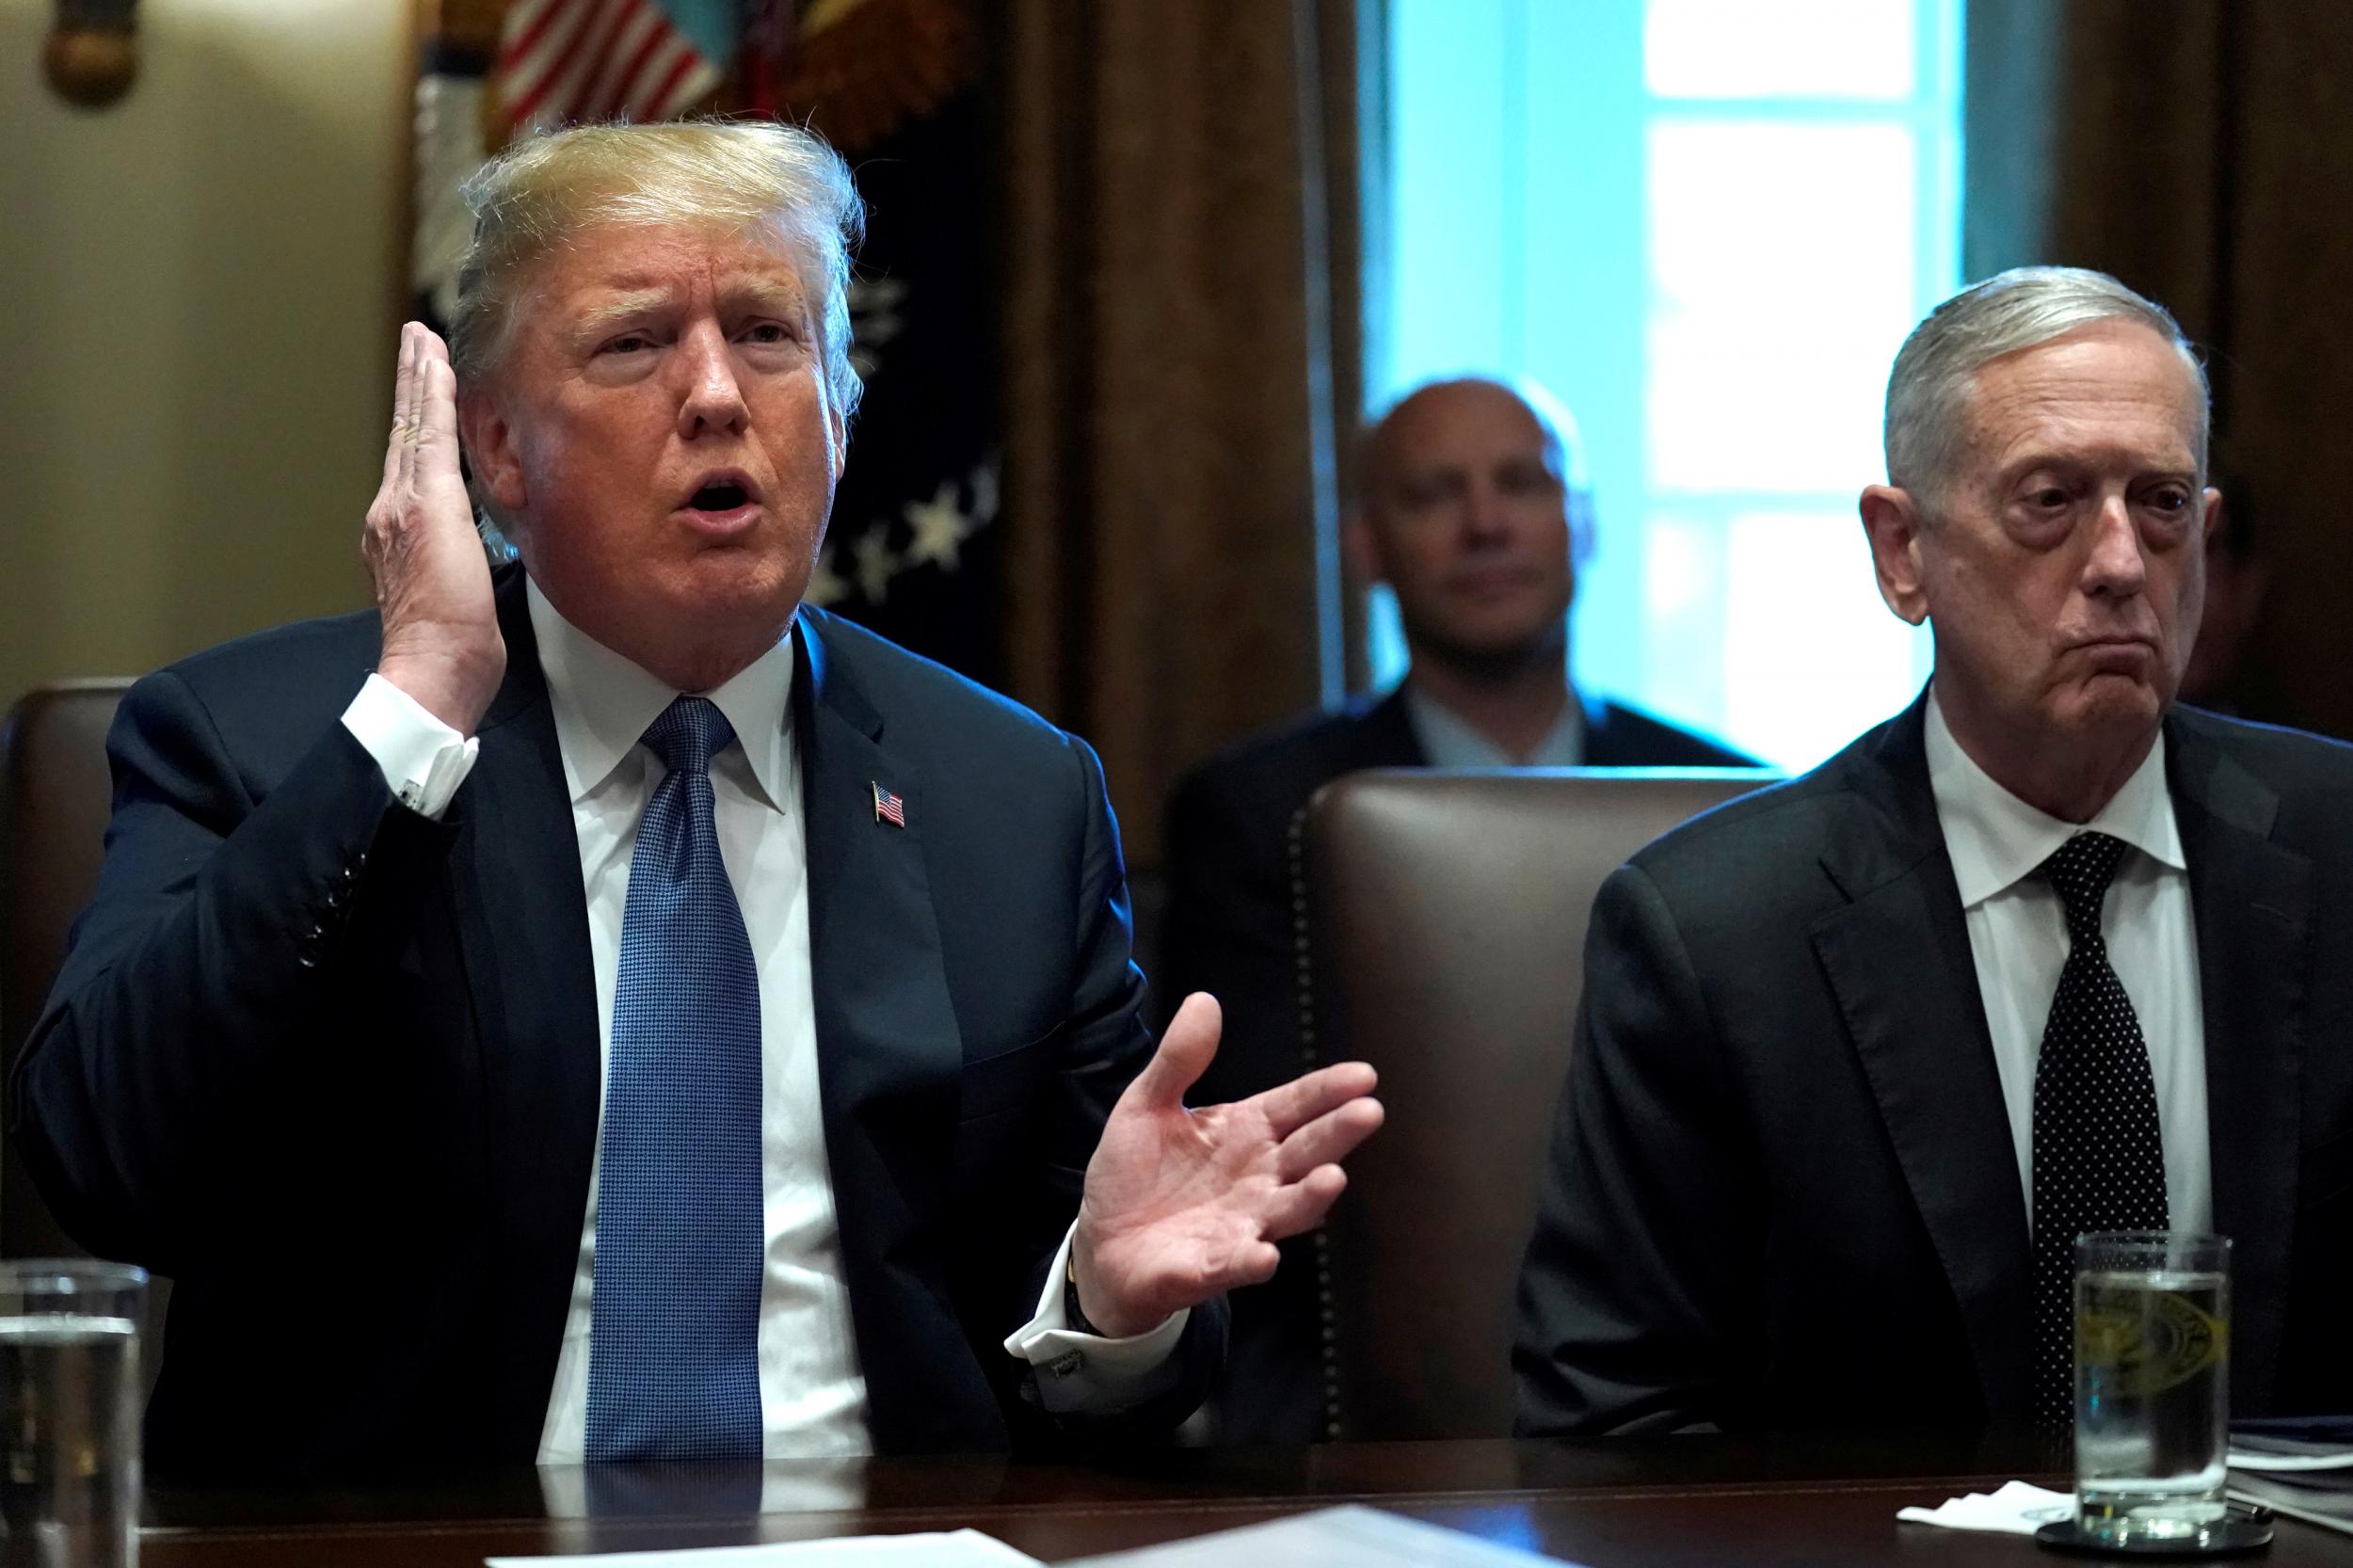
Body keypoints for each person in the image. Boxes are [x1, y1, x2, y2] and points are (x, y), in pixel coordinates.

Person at [10, 121, 1382, 1479]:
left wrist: (1107, 1302)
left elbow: (1098, 1340)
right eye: (633, 342)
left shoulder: (1011, 795)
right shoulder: (259, 740)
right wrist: (416, 709)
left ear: (840, 411)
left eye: (770, 336)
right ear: (493, 449)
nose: (719, 393)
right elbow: (106, 1158)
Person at [1513, 266, 2353, 1437]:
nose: (2119, 563)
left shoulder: (2338, 850)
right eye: (2050, 500)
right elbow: (1612, 1422)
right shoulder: (1713, 935)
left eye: (2160, 503)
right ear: (1901, 550)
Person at [1160, 376, 1754, 1443]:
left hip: (1689, 1335)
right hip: (1352, 1349)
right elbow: (1267, 1133)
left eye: (1521, 484)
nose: (1485, 523)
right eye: (1435, 493)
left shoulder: (1737, 798)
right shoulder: (1260, 812)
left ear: (1582, 523)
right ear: (1366, 546)